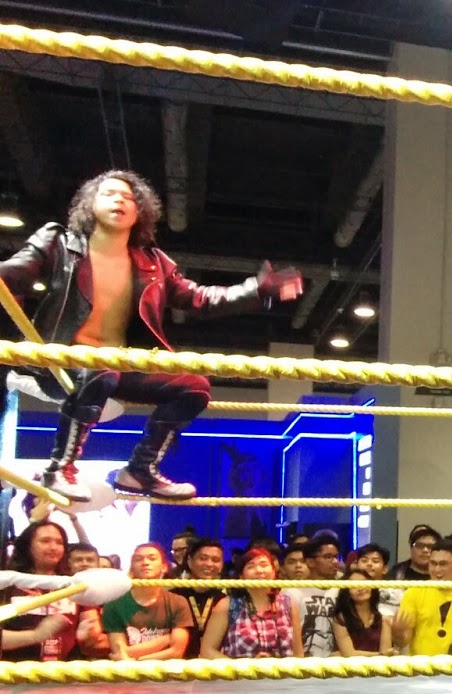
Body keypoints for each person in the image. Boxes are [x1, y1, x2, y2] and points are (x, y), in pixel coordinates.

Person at [0, 171, 301, 501]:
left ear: (140, 210)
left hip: (116, 367)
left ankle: (140, 470)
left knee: (194, 386)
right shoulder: (59, 241)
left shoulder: (153, 263)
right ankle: (60, 468)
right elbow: (16, 272)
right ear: (89, 204)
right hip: (60, 363)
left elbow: (200, 298)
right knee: (102, 368)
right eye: (109, 193)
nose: (119, 199)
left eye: (128, 197)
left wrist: (256, 289)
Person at [199, 548, 302, 658]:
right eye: (251, 566)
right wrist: (243, 666)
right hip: (240, 669)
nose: (259, 570)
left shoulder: (288, 604)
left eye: (264, 565)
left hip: (284, 669)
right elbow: (207, 651)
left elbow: (298, 654)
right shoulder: (227, 605)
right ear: (241, 576)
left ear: (273, 572)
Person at [102, 544, 194, 660]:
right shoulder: (113, 604)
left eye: (152, 558)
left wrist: (137, 660)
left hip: (166, 670)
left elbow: (176, 652)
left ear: (164, 567)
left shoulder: (178, 601)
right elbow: (119, 652)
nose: (145, 562)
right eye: (138, 559)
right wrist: (165, 639)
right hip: (129, 670)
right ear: (131, 568)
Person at [0, 521, 77, 661]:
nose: (53, 547)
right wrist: (36, 635)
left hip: (66, 671)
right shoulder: (7, 584)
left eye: (59, 542)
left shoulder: (73, 585)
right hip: (15, 670)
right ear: (28, 546)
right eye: (45, 541)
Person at [332, 571, 393, 656]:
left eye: (364, 583)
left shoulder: (383, 620)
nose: (360, 588)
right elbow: (349, 654)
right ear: (347, 592)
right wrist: (379, 655)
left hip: (377, 664)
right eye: (354, 586)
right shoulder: (341, 618)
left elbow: (386, 654)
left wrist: (382, 655)